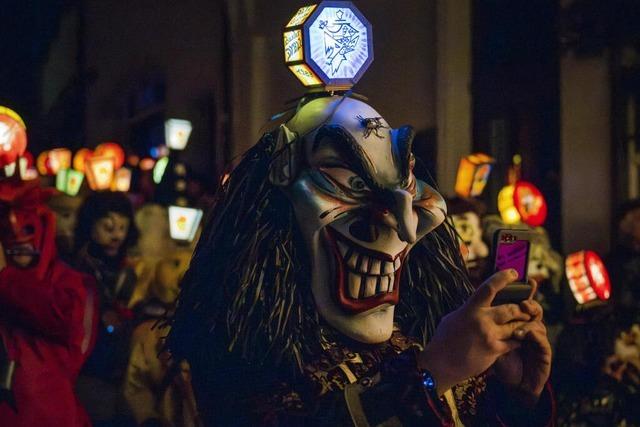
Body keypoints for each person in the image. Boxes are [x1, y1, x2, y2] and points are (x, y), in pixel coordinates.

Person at [167, 94, 554, 426]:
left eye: (403, 183)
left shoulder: (426, 328)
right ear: (278, 187)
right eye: (351, 183)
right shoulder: (244, 350)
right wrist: (432, 374)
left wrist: (515, 398)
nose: (402, 225)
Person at [0, 178, 98, 426]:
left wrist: (6, 278)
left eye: (28, 230)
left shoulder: (72, 283)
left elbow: (64, 320)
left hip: (49, 413)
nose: (19, 241)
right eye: (7, 233)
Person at [73, 191, 140, 425]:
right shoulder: (80, 270)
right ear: (90, 227)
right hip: (88, 368)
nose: (116, 236)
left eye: (122, 228)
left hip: (120, 368)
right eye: (108, 228)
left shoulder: (128, 270)